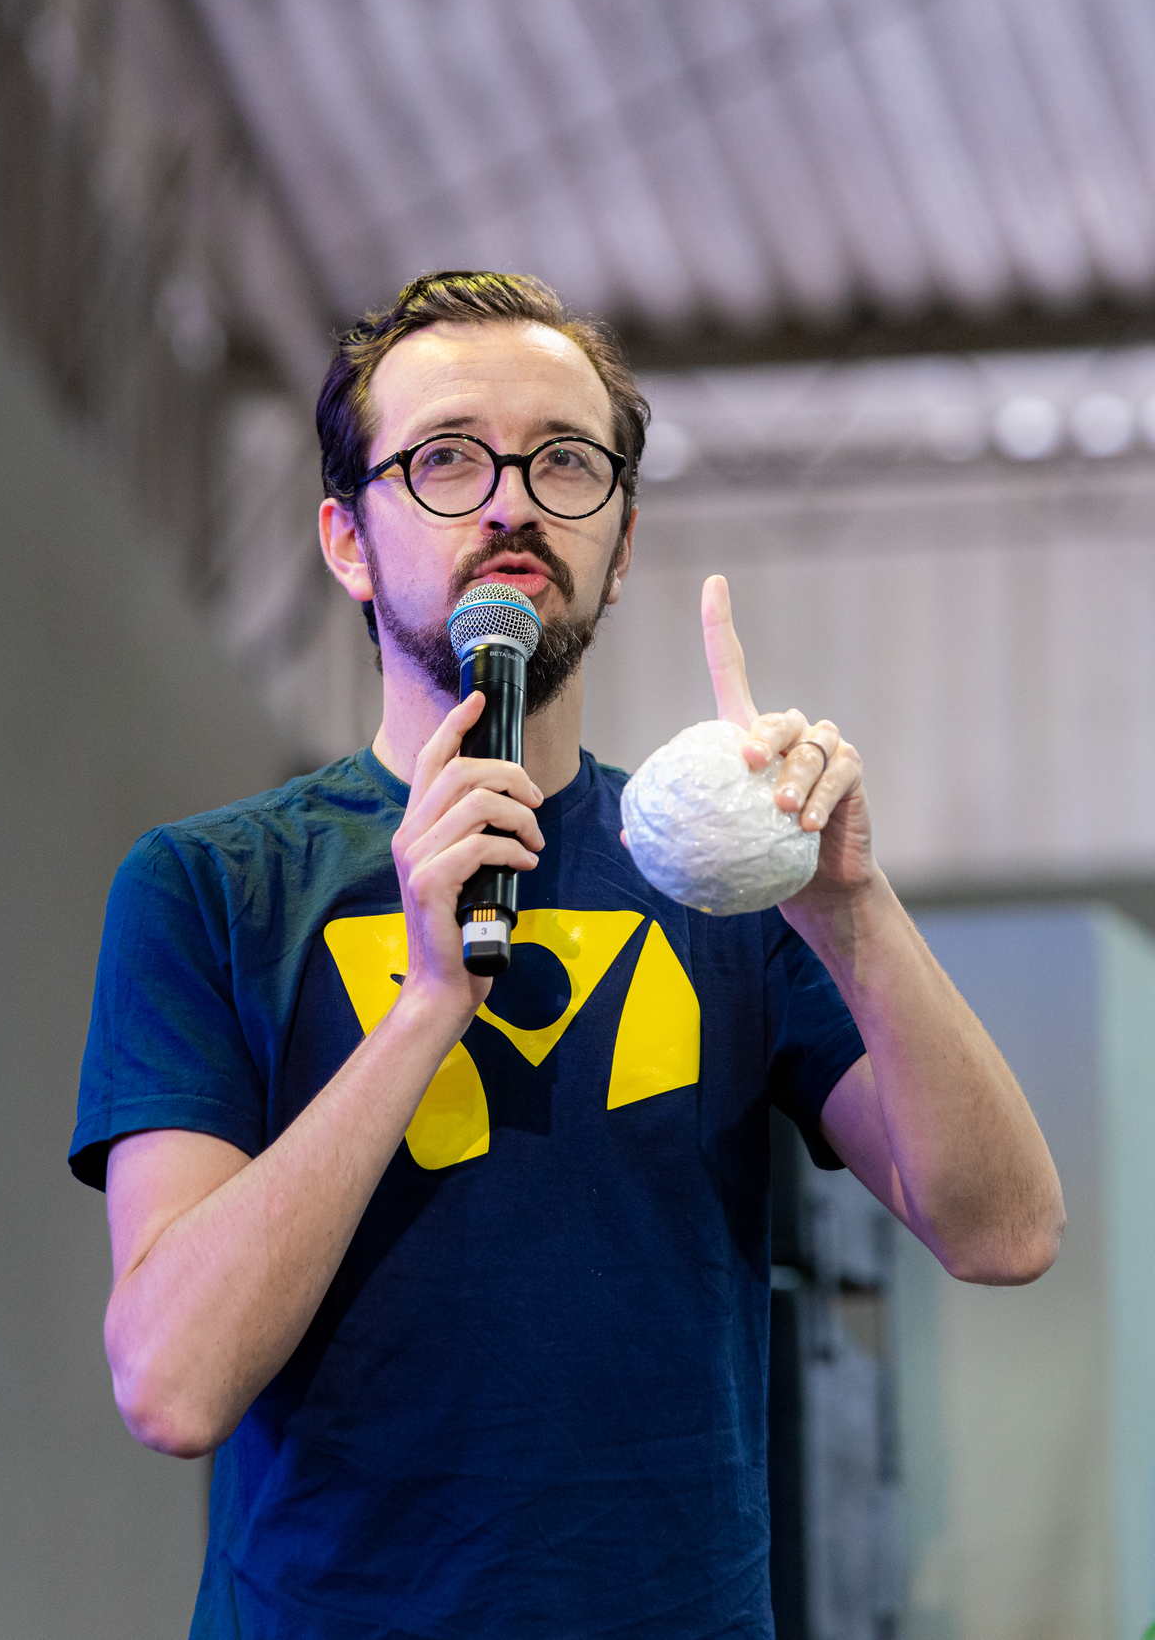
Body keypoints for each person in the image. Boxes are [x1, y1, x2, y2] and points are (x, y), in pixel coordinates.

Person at [71, 271, 1064, 1640]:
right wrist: (426, 1003)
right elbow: (170, 1382)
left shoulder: (725, 883)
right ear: (347, 540)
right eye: (446, 458)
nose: (511, 502)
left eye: (565, 461)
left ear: (625, 537)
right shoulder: (214, 887)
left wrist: (850, 904)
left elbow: (1008, 1232)